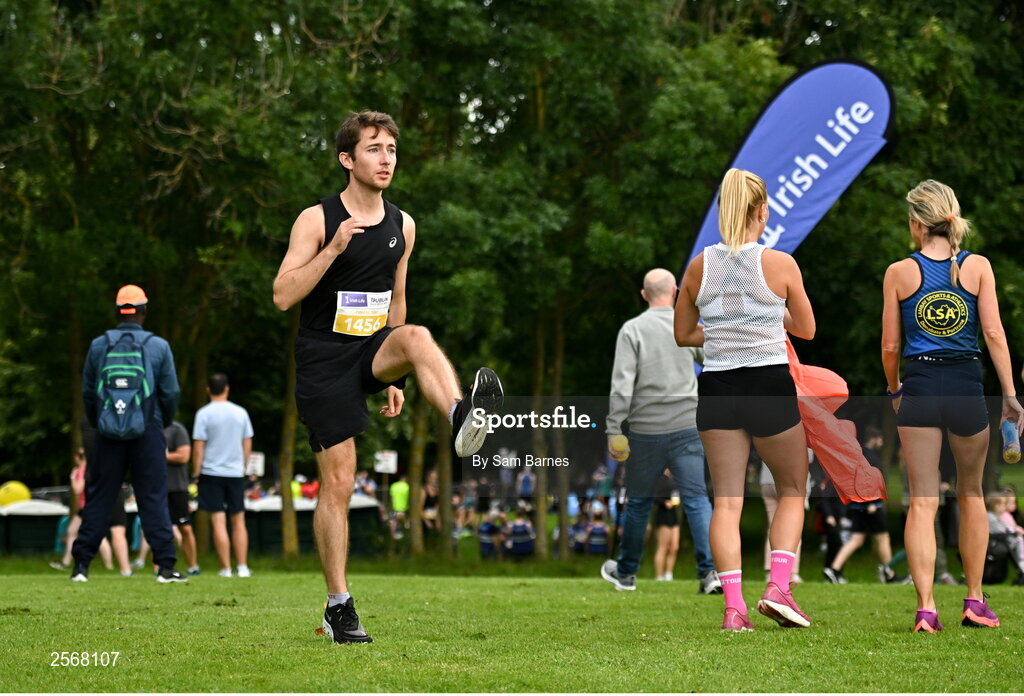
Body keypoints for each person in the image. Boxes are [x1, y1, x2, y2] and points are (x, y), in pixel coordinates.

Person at [272, 110, 503, 644]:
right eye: (374, 149)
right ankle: (339, 606)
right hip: (325, 359)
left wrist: (397, 372)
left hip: (373, 349)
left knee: (418, 335)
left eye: (392, 150)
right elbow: (283, 295)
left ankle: (460, 417)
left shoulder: (404, 224)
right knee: (340, 483)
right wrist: (333, 250)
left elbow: (395, 301)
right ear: (347, 159)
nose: (386, 159)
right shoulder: (317, 220)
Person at [675, 168, 816, 631]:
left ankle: (733, 609)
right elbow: (807, 328)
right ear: (761, 210)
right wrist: (765, 321)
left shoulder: (698, 266)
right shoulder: (780, 264)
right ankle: (778, 587)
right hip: (768, 384)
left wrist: (720, 332)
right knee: (793, 488)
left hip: (717, 389)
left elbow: (683, 334)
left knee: (728, 503)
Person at [882, 179, 1023, 632]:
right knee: (972, 494)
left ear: (916, 223)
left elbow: (889, 344)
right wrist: (1010, 396)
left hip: (921, 386)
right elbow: (996, 335)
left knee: (922, 501)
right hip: (966, 386)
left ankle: (926, 609)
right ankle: (974, 601)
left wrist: (894, 390)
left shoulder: (899, 272)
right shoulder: (977, 267)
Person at [600, 268, 719, 595]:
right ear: (676, 291)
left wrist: (614, 429)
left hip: (645, 430)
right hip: (686, 425)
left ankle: (626, 574)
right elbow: (712, 359)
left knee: (638, 503)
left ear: (643, 295)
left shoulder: (632, 330)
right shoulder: (687, 326)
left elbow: (621, 384)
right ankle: (710, 572)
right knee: (696, 500)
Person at [72, 285, 186, 583]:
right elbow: (171, 392)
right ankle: (165, 566)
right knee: (152, 497)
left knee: (100, 496)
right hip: (147, 428)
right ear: (144, 312)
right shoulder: (158, 346)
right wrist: (162, 421)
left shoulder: (99, 345)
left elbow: (87, 392)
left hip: (107, 431)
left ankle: (81, 566)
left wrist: (101, 421)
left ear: (117, 312)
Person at [192, 373, 254, 579]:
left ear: (208, 390)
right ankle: (243, 567)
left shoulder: (203, 414)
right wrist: (242, 466)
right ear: (227, 389)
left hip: (211, 472)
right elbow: (247, 443)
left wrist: (195, 472)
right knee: (239, 521)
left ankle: (226, 568)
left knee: (218, 521)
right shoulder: (241, 413)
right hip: (235, 472)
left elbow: (199, 446)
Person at [823, 428, 898, 584]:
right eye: (881, 439)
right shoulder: (870, 458)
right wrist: (871, 502)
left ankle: (834, 569)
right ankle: (889, 574)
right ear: (874, 439)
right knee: (883, 537)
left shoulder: (857, 455)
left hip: (857, 505)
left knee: (856, 539)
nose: (882, 443)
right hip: (871, 506)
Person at [163, 419, 198, 575]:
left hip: (177, 487)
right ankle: (161, 566)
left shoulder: (177, 429)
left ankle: (192, 566)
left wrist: (160, 456)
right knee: (158, 528)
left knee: (185, 527)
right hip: (155, 488)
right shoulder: (147, 427)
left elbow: (184, 456)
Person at [653, 472, 680, 581]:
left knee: (674, 546)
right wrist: (664, 502)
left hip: (673, 513)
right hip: (663, 514)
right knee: (663, 546)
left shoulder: (674, 477)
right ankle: (659, 575)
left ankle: (668, 574)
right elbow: (654, 496)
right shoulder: (659, 478)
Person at [389, 473, 410, 540]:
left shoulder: (394, 485)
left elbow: (391, 497)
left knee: (394, 523)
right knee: (405, 525)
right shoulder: (407, 487)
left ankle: (393, 538)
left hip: (395, 508)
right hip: (405, 509)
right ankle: (405, 539)